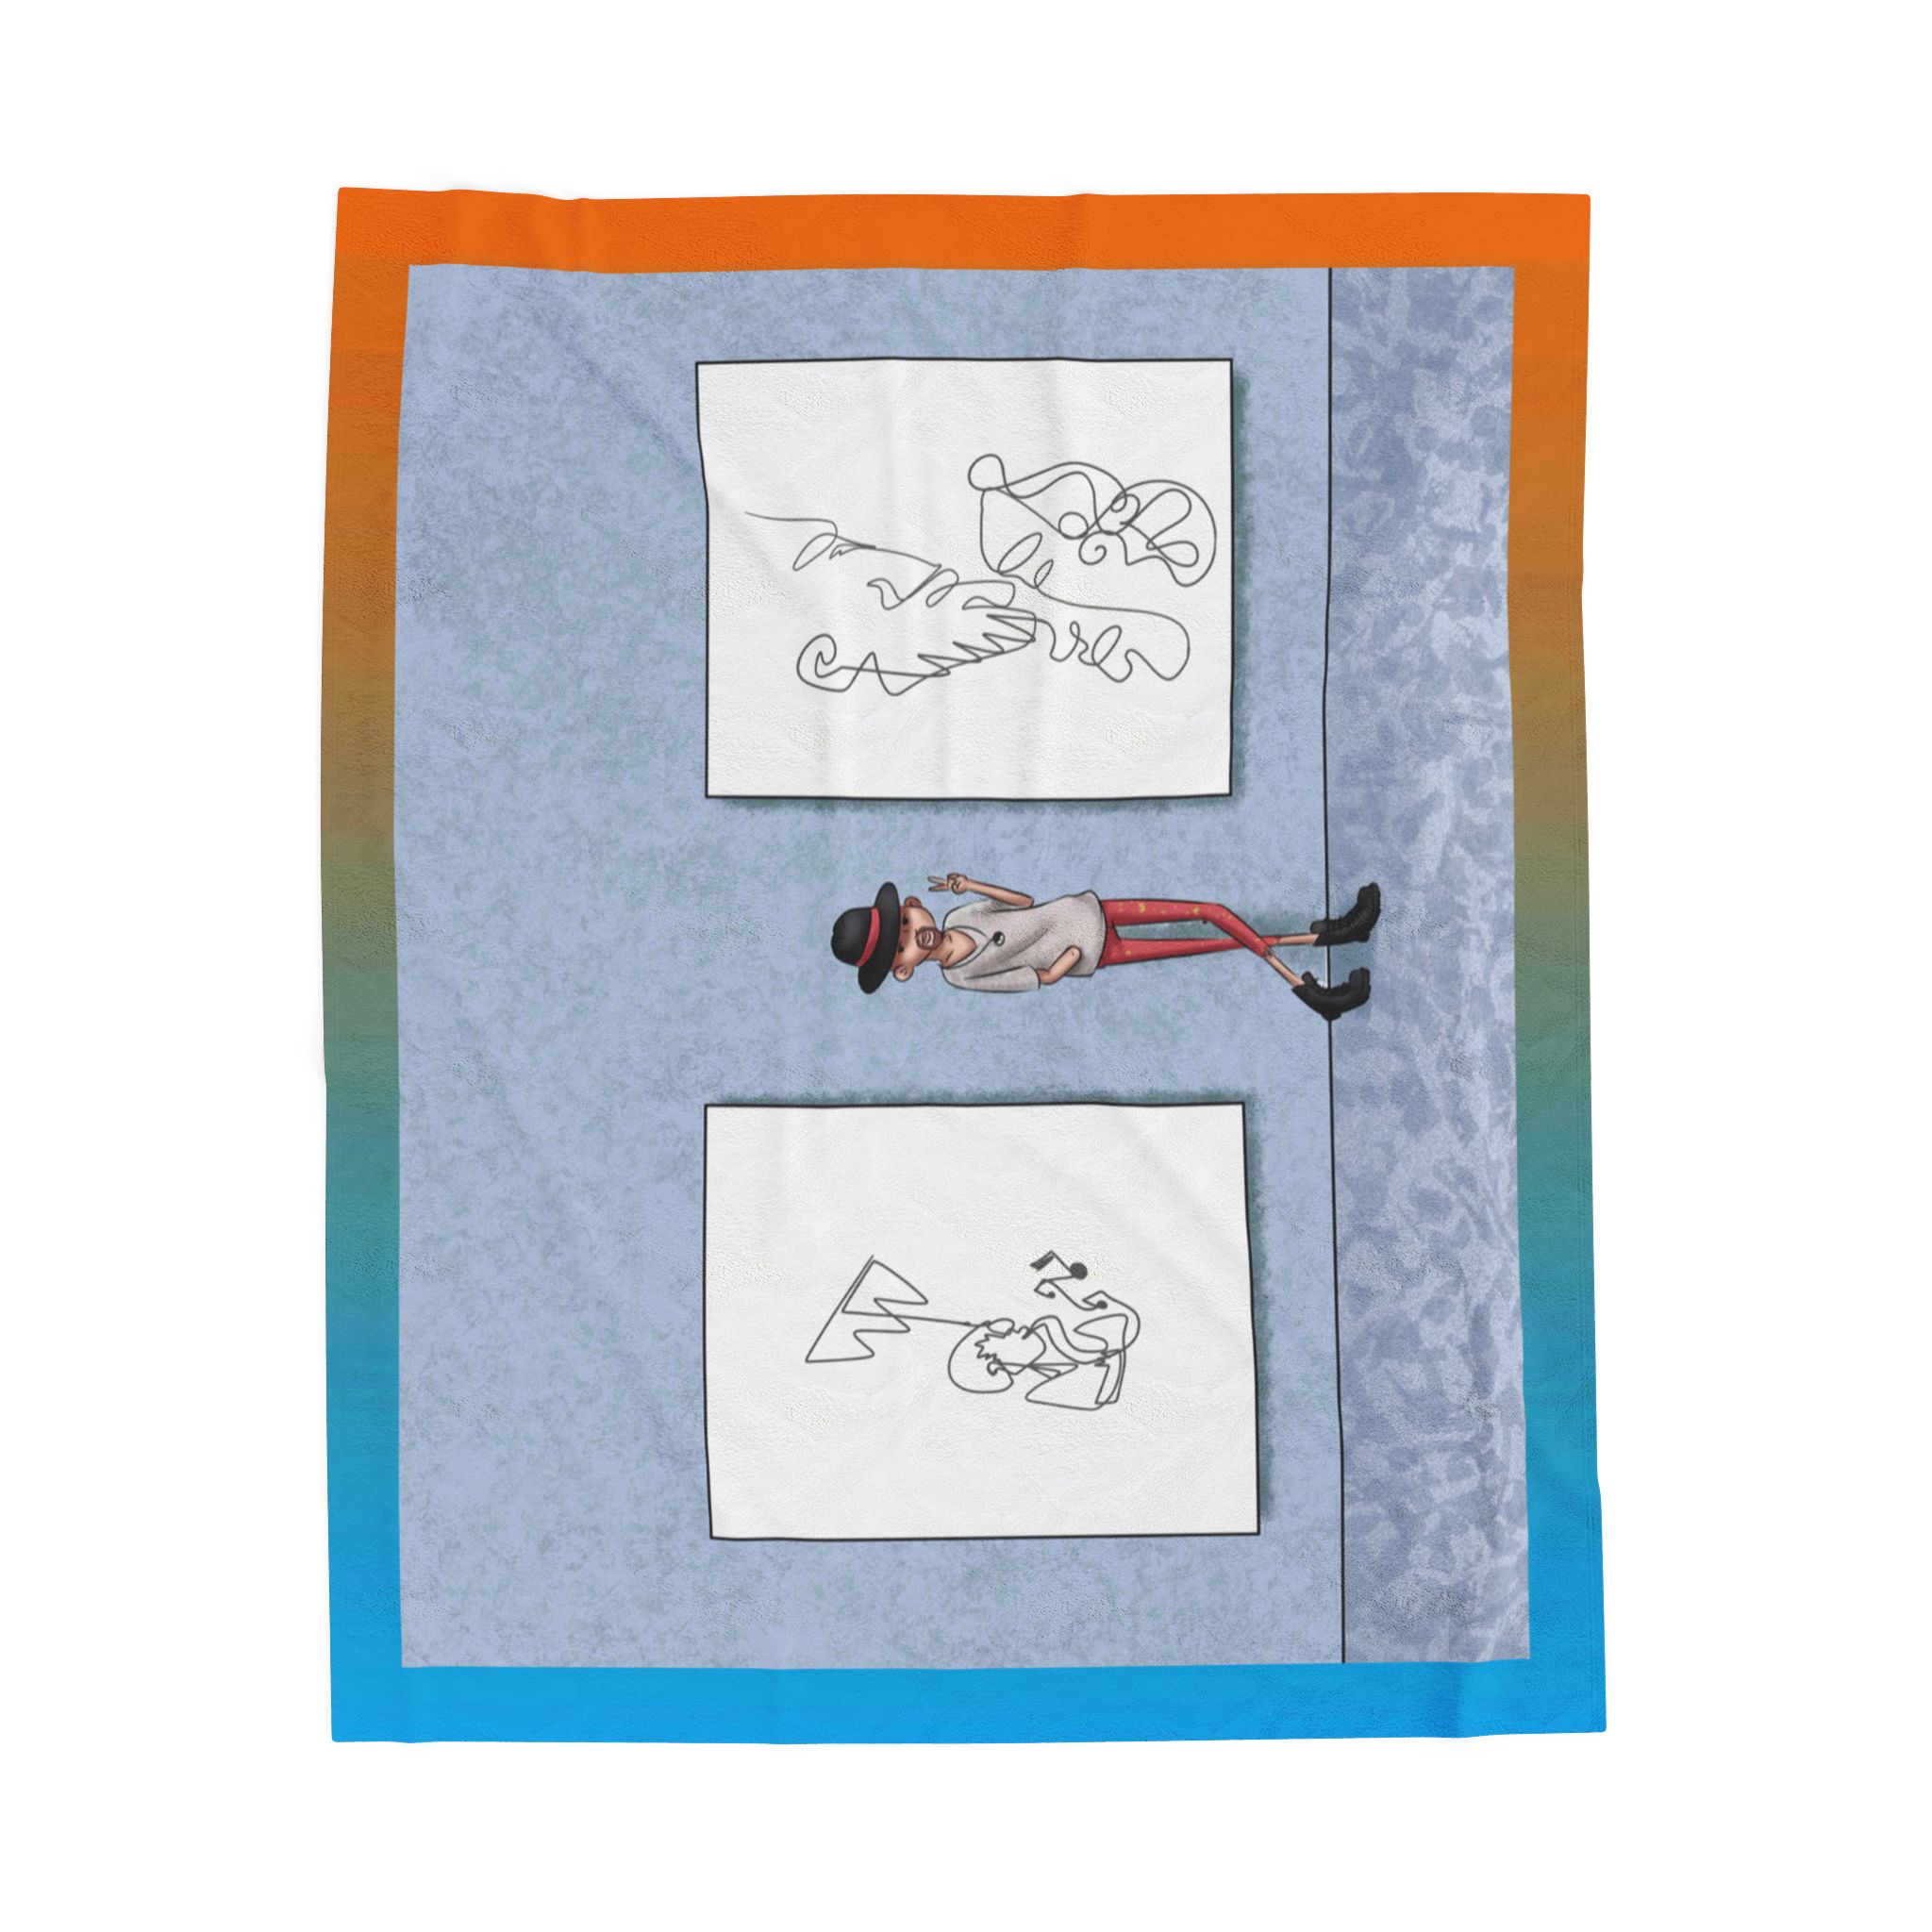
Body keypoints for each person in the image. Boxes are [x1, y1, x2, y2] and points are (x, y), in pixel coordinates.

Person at [830, 873, 1378, 1020]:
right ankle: (1310, 987)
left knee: (1211, 914)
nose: (914, 936)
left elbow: (1022, 901)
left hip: (1087, 910)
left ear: (913, 907)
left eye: (905, 924)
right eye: (902, 949)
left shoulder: (960, 913)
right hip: (1093, 952)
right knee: (1215, 943)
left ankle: (1330, 937)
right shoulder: (960, 976)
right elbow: (1031, 980)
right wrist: (1065, 964)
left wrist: (971, 884)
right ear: (904, 970)